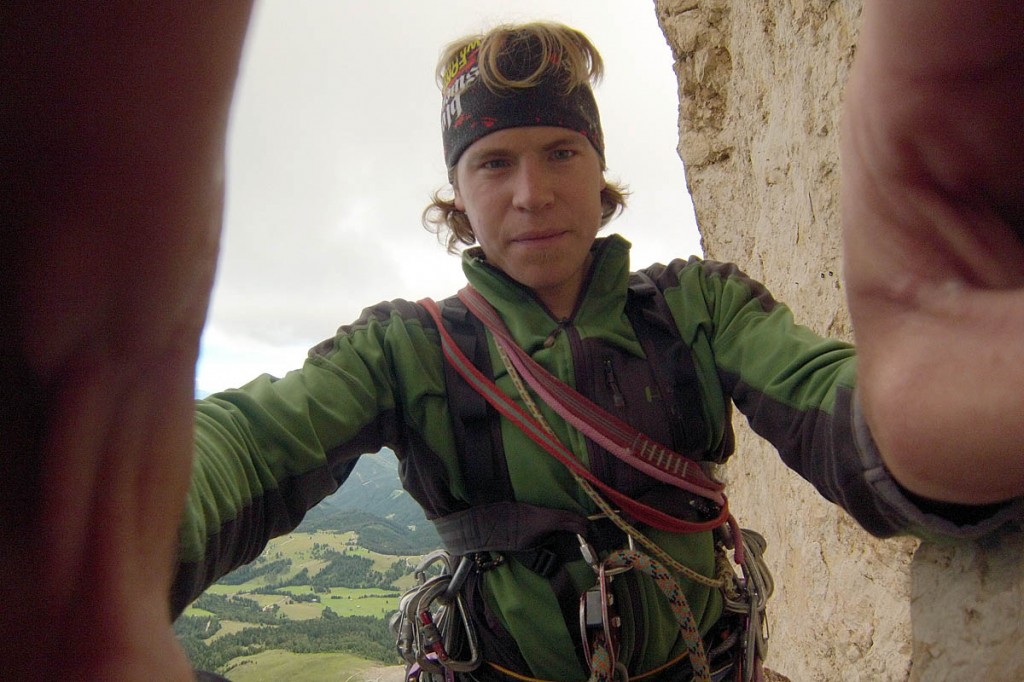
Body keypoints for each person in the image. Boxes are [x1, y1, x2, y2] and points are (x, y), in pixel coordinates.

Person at [2, 2, 1021, 681]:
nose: (530, 191)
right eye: (493, 161)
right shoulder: (409, 350)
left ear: (598, 167)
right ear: (458, 191)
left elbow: (830, 403)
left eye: (559, 151)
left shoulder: (698, 310)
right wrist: (105, 505)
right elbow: (256, 440)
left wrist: (920, 439)